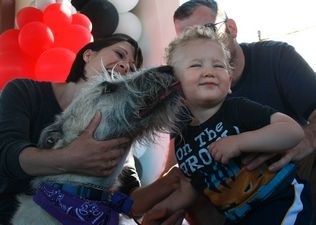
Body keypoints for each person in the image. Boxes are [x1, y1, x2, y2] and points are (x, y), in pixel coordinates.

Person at [0, 33, 184, 225]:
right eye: (120, 54)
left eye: (133, 67)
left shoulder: (118, 128)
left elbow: (130, 201)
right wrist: (70, 158)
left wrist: (172, 180)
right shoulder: (24, 91)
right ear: (88, 55)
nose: (126, 66)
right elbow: (6, 153)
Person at [160, 1, 316, 224]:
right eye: (188, 37)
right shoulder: (185, 102)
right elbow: (174, 166)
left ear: (231, 28)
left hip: (289, 171)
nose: (199, 42)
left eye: (207, 30)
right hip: (235, 196)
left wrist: (299, 143)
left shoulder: (276, 57)